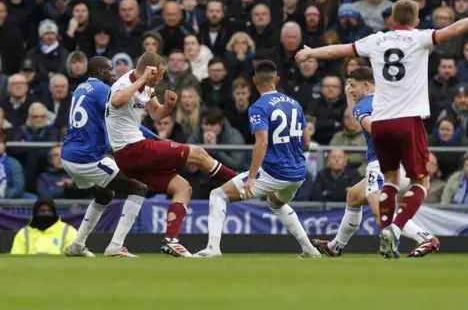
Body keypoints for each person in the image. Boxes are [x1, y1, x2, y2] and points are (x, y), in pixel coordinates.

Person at [295, 0, 468, 258]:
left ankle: (355, 240)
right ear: (416, 20)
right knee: (421, 182)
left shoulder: (375, 40)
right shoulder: (419, 37)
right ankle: (396, 230)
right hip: (407, 120)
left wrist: (309, 53)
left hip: (384, 124)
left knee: (384, 185)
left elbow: (337, 50)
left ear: (391, 20)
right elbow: (455, 29)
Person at [105, 52, 237, 257]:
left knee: (183, 188)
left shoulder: (147, 86)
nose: (161, 78)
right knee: (198, 153)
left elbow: (156, 114)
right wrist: (142, 79)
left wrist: (168, 105)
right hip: (133, 148)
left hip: (130, 157)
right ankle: (241, 182)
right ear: (149, 71)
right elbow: (116, 101)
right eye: (159, 74)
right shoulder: (124, 84)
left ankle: (171, 240)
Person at [195, 60, 321, 259]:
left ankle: (213, 248)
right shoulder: (295, 104)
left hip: (275, 172)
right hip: (298, 172)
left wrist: (252, 177)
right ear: (277, 79)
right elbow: (306, 143)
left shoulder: (258, 107)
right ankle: (309, 249)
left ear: (254, 82)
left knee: (218, 195)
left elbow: (261, 143)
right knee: (275, 203)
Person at [312, 67, 439, 258]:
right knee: (354, 197)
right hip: (403, 163)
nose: (350, 90)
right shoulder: (391, 100)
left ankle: (425, 237)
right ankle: (335, 246)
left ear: (366, 85)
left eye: (353, 86)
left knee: (382, 216)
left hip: (380, 165)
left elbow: (374, 129)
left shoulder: (365, 105)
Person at [61, 56, 160, 258]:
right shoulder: (102, 90)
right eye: (110, 69)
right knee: (138, 188)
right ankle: (116, 245)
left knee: (104, 194)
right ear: (99, 72)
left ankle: (77, 245)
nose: (114, 74)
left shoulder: (80, 88)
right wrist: (157, 139)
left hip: (69, 154)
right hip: (86, 157)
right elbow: (129, 123)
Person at [10, 199, 77, 255]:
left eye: (49, 211)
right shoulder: (23, 233)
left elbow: (73, 258)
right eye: (42, 211)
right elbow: (16, 258)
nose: (46, 213)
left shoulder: (69, 231)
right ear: (35, 213)